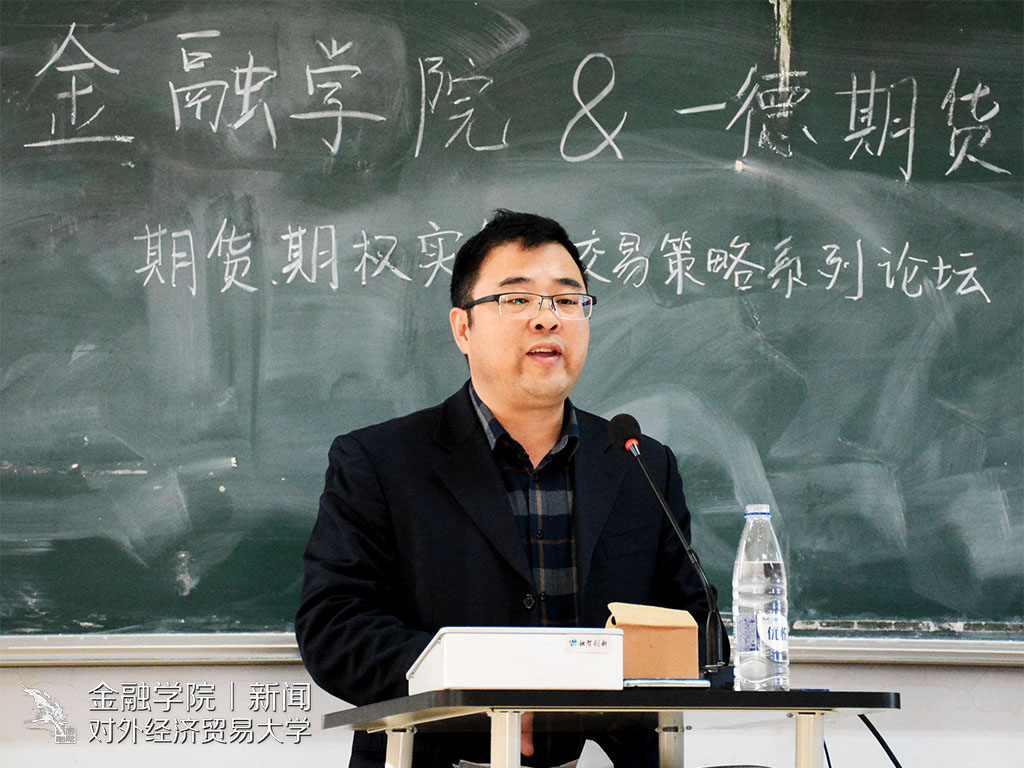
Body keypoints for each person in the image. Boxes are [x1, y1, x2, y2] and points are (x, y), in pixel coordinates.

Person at [296, 210, 728, 768]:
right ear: (463, 329)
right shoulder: (379, 461)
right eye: (517, 299)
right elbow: (334, 626)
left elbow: (695, 628)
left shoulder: (639, 464)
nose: (547, 318)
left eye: (567, 300)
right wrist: (477, 688)